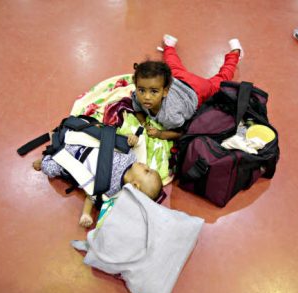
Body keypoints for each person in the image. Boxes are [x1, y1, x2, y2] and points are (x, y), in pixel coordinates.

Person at [33, 132, 162, 228]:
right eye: (148, 167)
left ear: (135, 185)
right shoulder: (131, 157)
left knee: (50, 168)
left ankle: (45, 159)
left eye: (147, 171)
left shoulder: (113, 188)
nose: (145, 165)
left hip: (73, 161)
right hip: (85, 143)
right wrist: (134, 139)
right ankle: (58, 137)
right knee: (72, 131)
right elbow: (120, 140)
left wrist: (86, 214)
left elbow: (92, 195)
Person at [132, 34, 243, 140]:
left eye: (154, 91)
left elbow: (182, 132)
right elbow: (138, 108)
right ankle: (169, 46)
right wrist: (144, 124)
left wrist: (160, 134)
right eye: (141, 90)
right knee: (172, 63)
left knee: (222, 79)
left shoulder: (170, 115)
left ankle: (235, 53)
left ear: (165, 91)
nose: (146, 97)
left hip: (197, 89)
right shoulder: (137, 96)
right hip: (178, 78)